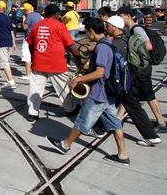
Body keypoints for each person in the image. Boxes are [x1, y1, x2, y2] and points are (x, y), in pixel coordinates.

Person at [46, 17, 130, 166]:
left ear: (91, 31)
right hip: (108, 94)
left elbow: (100, 73)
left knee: (83, 120)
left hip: (99, 92)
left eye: (86, 31)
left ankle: (65, 145)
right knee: (115, 123)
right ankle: (123, 154)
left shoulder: (102, 47)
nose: (86, 35)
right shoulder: (107, 44)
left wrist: (78, 80)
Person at [105, 16, 162, 146]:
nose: (106, 27)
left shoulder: (116, 44)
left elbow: (110, 64)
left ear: (114, 27)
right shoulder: (127, 39)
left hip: (123, 82)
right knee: (133, 107)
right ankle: (151, 136)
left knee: (102, 103)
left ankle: (99, 129)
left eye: (108, 25)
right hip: (132, 79)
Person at [117, 6, 167, 134]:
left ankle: (161, 122)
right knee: (129, 94)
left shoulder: (136, 29)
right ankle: (117, 119)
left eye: (120, 16)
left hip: (142, 68)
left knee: (148, 95)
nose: (119, 19)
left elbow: (148, 46)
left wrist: (132, 50)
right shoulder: (128, 29)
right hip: (135, 68)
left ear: (127, 16)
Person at [26, 4, 79, 122]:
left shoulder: (37, 26)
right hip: (56, 63)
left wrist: (33, 56)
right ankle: (69, 109)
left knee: (35, 87)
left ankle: (32, 112)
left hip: (39, 61)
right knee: (62, 87)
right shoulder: (59, 26)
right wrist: (78, 60)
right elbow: (71, 45)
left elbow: (30, 44)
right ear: (56, 14)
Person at [20, 3, 43, 80]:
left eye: (24, 11)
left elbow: (25, 27)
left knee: (26, 56)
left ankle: (28, 74)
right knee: (34, 56)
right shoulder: (38, 15)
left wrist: (23, 20)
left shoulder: (29, 16)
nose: (23, 12)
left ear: (27, 10)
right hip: (37, 38)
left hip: (28, 38)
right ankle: (35, 72)